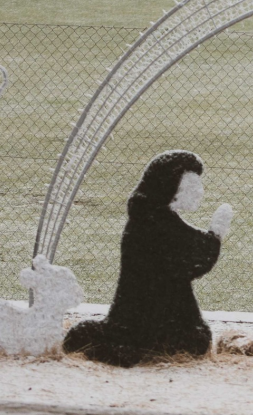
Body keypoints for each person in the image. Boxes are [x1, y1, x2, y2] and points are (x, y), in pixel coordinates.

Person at [64, 150, 233, 367]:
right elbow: (190, 263)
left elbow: (187, 251)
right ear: (170, 188)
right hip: (142, 314)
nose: (199, 192)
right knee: (180, 342)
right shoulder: (151, 223)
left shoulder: (157, 218)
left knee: (196, 339)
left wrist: (212, 237)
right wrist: (215, 234)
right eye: (191, 187)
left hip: (167, 308)